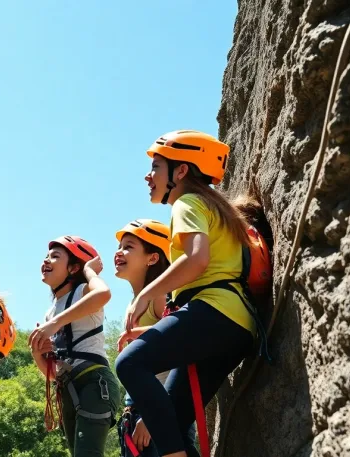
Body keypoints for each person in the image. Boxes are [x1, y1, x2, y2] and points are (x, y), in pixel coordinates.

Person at [116, 130, 256, 457]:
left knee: (129, 364)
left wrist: (144, 296)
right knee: (173, 424)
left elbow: (197, 259)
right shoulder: (214, 207)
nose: (148, 176)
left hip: (214, 313)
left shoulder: (187, 202)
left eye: (157, 167)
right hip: (236, 327)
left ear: (180, 172)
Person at [29, 236, 120, 456]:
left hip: (94, 382)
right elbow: (52, 374)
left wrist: (90, 271)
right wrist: (37, 354)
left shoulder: (82, 293)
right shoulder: (50, 311)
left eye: (55, 256)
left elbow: (104, 293)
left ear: (74, 268)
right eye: (46, 256)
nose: (46, 260)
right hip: (68, 388)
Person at [112, 220, 171, 456]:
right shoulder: (134, 304)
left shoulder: (160, 297)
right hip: (136, 411)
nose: (119, 252)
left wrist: (150, 415)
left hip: (156, 411)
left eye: (129, 246)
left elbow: (178, 354)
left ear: (153, 258)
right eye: (119, 246)